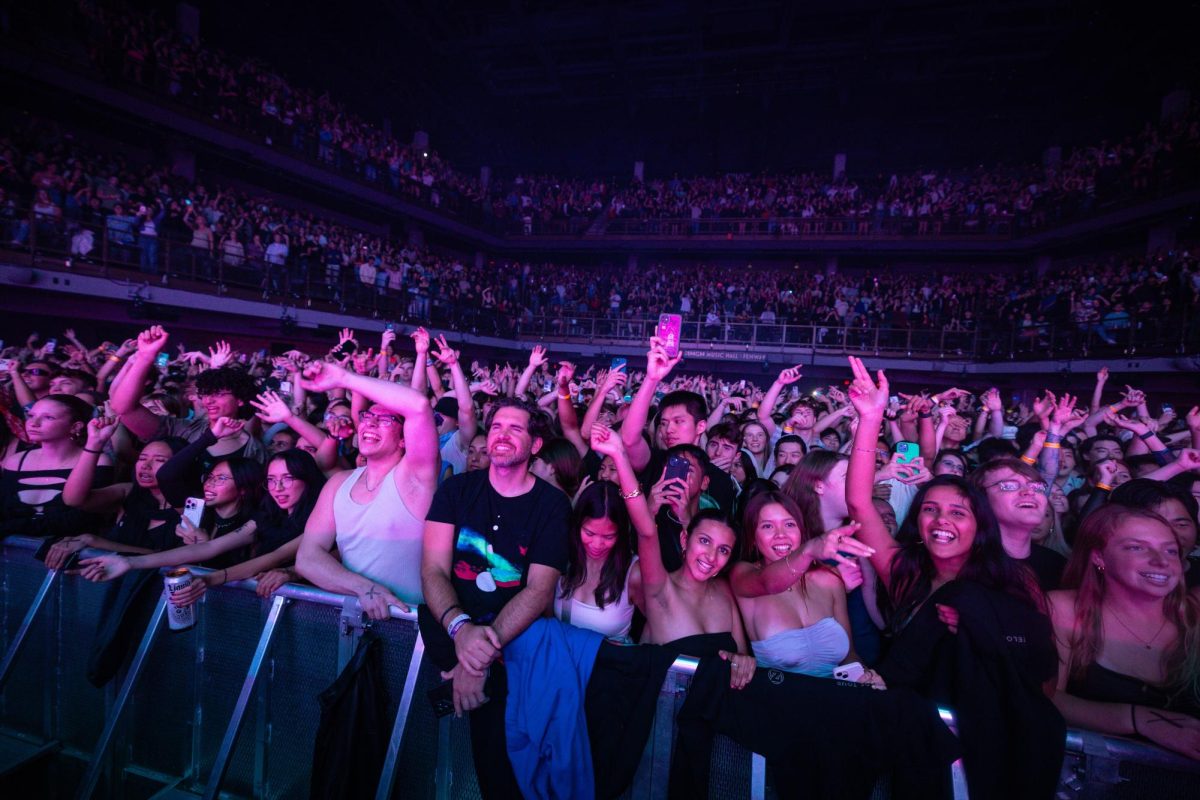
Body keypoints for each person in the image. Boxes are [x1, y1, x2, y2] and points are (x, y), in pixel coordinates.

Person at [420, 397, 571, 799]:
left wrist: (479, 654)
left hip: (513, 653)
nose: (502, 436)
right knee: (430, 761)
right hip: (450, 637)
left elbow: (539, 590)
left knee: (503, 770)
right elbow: (432, 568)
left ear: (535, 445)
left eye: (516, 428)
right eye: (498, 427)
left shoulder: (553, 505)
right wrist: (461, 630)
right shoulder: (456, 490)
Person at [590, 425, 756, 680]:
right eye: (704, 541)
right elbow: (645, 533)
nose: (711, 556)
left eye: (723, 550)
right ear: (685, 539)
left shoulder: (724, 589)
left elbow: (743, 657)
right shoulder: (660, 589)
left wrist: (742, 663)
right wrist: (620, 456)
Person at [1048, 504, 1200, 760]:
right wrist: (1137, 719)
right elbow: (1048, 697)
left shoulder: (1194, 618)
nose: (1161, 561)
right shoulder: (1064, 610)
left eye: (1171, 551)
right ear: (1098, 557)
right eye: (1136, 547)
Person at [80, 450, 327, 600]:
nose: (277, 488)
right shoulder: (267, 516)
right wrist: (130, 562)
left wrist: (212, 579)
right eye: (271, 480)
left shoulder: (321, 518)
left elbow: (273, 557)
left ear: (308, 480)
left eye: (288, 478)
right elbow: (209, 549)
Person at [295, 358, 440, 615]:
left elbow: (418, 405)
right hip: (351, 620)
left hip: (407, 625)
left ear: (405, 439)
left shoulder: (415, 478)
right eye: (367, 417)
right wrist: (363, 588)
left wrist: (344, 378)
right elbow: (307, 558)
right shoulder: (339, 482)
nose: (370, 424)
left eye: (385, 421)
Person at [729, 489, 877, 680]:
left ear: (801, 530)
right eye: (767, 526)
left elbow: (849, 657)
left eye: (789, 524)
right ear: (753, 537)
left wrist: (867, 677)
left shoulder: (829, 578)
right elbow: (768, 583)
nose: (780, 535)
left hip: (836, 701)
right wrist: (808, 551)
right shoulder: (742, 574)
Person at [48, 417, 183, 567]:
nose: (146, 465)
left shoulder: (192, 505)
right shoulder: (128, 491)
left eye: (160, 460)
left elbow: (173, 558)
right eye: (142, 458)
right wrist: (94, 443)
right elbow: (73, 500)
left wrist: (95, 541)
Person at [0, 394, 112, 539]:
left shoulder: (98, 461)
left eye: (48, 417)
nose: (33, 423)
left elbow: (88, 518)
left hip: (69, 556)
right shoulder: (15, 461)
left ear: (75, 426)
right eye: (31, 415)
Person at [553, 480, 637, 640]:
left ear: (622, 534)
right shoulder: (563, 555)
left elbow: (656, 626)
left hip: (610, 663)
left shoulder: (634, 572)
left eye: (609, 536)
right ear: (577, 525)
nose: (597, 545)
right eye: (589, 533)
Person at [969, 457, 1066, 590]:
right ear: (981, 498)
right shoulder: (965, 567)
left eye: (1036, 487)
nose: (1029, 491)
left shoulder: (1058, 565)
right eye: (1010, 485)